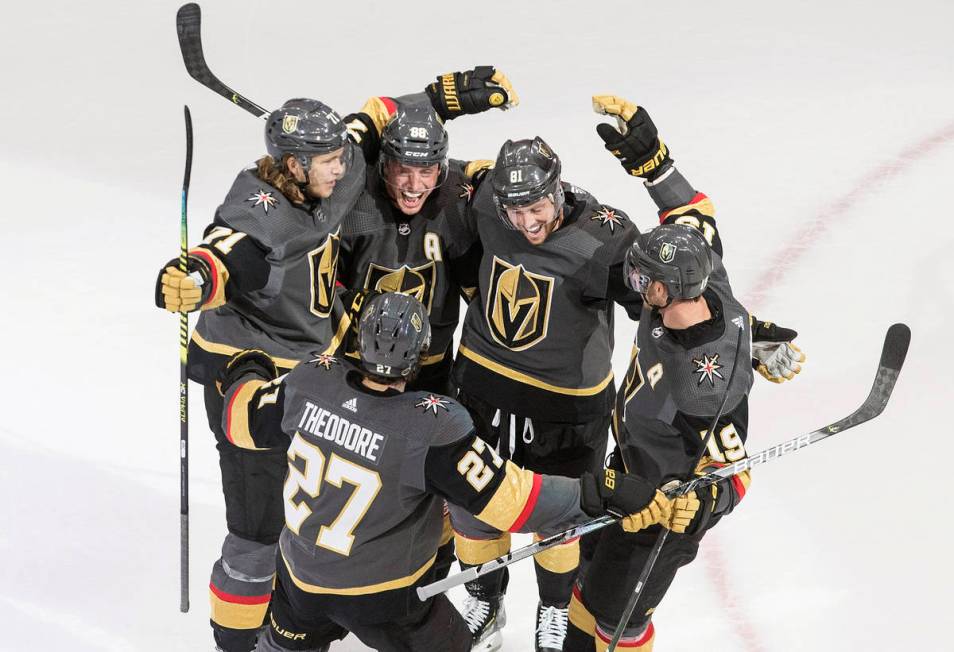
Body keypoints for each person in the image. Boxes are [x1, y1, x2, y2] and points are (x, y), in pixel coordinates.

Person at [153, 69, 517, 652]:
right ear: (293, 166)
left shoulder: (335, 173)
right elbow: (230, 250)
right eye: (327, 160)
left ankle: (329, 600)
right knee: (257, 533)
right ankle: (238, 642)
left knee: (337, 501)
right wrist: (198, 278)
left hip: (314, 375)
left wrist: (447, 98)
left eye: (340, 156)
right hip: (247, 375)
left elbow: (373, 116)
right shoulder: (262, 210)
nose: (344, 167)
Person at [215, 292, 672, 652]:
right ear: (418, 356)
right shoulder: (430, 425)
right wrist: (599, 490)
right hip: (383, 597)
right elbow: (515, 502)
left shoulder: (310, 381)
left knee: (286, 641)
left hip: (298, 582)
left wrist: (245, 370)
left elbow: (241, 421)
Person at [561, 97, 803, 651]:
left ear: (668, 288)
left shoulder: (705, 385)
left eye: (645, 277)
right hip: (630, 469)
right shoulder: (703, 269)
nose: (634, 279)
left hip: (663, 514)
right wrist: (651, 157)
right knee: (588, 589)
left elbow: (735, 471)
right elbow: (691, 207)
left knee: (618, 622)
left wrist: (699, 505)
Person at [447, 136, 644, 652]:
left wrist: (735, 331)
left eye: (536, 208)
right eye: (516, 212)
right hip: (481, 388)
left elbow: (662, 298)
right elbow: (445, 173)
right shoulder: (489, 200)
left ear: (557, 190)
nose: (528, 223)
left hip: (567, 407)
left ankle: (554, 610)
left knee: (561, 511)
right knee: (473, 499)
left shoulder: (607, 236)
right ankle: (485, 601)